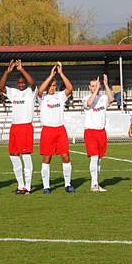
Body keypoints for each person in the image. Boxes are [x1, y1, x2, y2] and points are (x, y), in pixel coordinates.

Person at [0, 59, 37, 194]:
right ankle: (20, 185)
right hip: (15, 127)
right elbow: (1, 87)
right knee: (13, 155)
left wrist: (21, 69)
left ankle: (28, 185)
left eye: (23, 82)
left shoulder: (30, 92)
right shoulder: (13, 92)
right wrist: (7, 72)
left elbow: (33, 83)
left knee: (26, 156)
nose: (21, 84)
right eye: (19, 82)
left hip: (25, 127)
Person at [38, 62, 74, 194]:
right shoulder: (43, 98)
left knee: (65, 156)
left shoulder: (60, 96)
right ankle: (46, 186)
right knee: (47, 159)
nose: (51, 88)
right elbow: (40, 90)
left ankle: (68, 184)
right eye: (50, 85)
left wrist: (60, 73)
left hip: (60, 130)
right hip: (48, 130)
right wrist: (50, 76)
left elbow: (70, 88)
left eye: (53, 85)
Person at [83, 74, 114, 192]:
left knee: (99, 159)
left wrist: (106, 84)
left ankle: (95, 183)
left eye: (95, 85)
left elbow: (111, 99)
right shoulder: (86, 98)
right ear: (89, 87)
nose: (94, 87)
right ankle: (94, 184)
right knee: (94, 158)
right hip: (90, 131)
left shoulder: (103, 98)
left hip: (101, 132)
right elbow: (90, 104)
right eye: (92, 86)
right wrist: (96, 90)